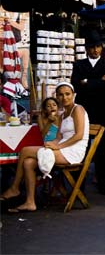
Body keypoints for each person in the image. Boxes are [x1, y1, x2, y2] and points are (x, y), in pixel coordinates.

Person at [0, 82, 89, 212]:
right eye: (60, 95)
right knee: (28, 162)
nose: (64, 97)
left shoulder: (78, 109)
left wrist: (58, 147)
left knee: (25, 150)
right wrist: (52, 144)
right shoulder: (63, 114)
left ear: (73, 95)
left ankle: (15, 188)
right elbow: (59, 136)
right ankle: (30, 202)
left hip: (73, 150)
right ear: (57, 97)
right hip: (63, 147)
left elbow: (79, 135)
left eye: (67, 94)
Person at [71, 30, 105, 195]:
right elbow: (76, 85)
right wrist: (99, 82)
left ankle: (104, 184)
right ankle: (79, 185)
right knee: (81, 147)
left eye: (98, 47)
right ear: (86, 48)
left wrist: (88, 82)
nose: (95, 50)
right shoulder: (79, 65)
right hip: (85, 112)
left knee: (104, 151)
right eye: (92, 47)